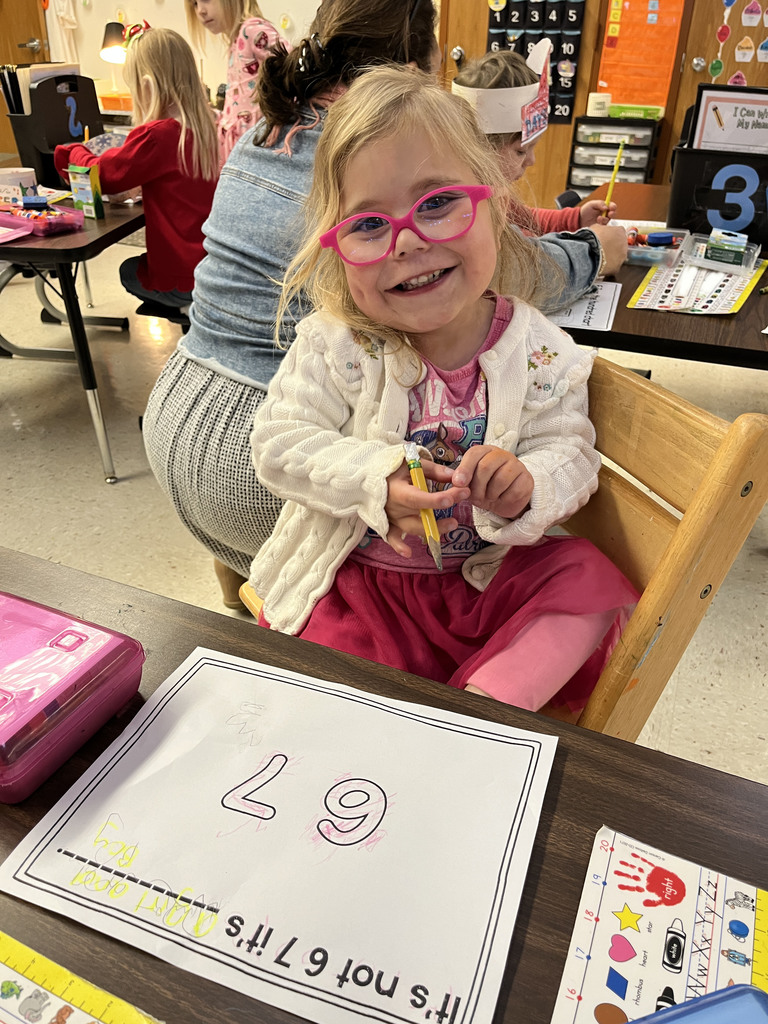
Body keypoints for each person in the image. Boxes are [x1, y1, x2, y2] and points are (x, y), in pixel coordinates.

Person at [249, 65, 639, 717]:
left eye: (436, 204)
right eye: (368, 224)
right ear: (336, 248)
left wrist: (528, 484)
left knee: (588, 581)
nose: (407, 243)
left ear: (495, 205)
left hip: (486, 587)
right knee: (335, 701)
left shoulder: (539, 348)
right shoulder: (337, 342)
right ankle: (422, 728)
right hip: (361, 591)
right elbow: (278, 444)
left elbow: (571, 449)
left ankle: (483, 714)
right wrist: (374, 477)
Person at [142, 0, 441, 607]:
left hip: (175, 414)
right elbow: (501, 265)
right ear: (416, 65)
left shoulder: (268, 127)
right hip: (266, 460)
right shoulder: (381, 148)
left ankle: (244, 611)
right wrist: (592, 251)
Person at [54, 27, 218, 312]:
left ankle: (189, 309)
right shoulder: (208, 124)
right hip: (211, 266)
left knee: (129, 271)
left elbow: (102, 175)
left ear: (146, 87)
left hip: (186, 277)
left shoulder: (158, 135)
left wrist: (72, 151)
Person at [452, 47, 627, 289]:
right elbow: (529, 263)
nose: (531, 160)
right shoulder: (470, 210)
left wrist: (574, 218)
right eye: (521, 151)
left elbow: (525, 218)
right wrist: (598, 252)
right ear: (480, 148)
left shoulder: (497, 194)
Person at [184, 0, 289, 164]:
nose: (200, 11)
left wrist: (279, 115)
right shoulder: (237, 40)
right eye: (195, 4)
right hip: (244, 150)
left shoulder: (252, 30)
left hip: (257, 151)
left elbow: (293, 68)